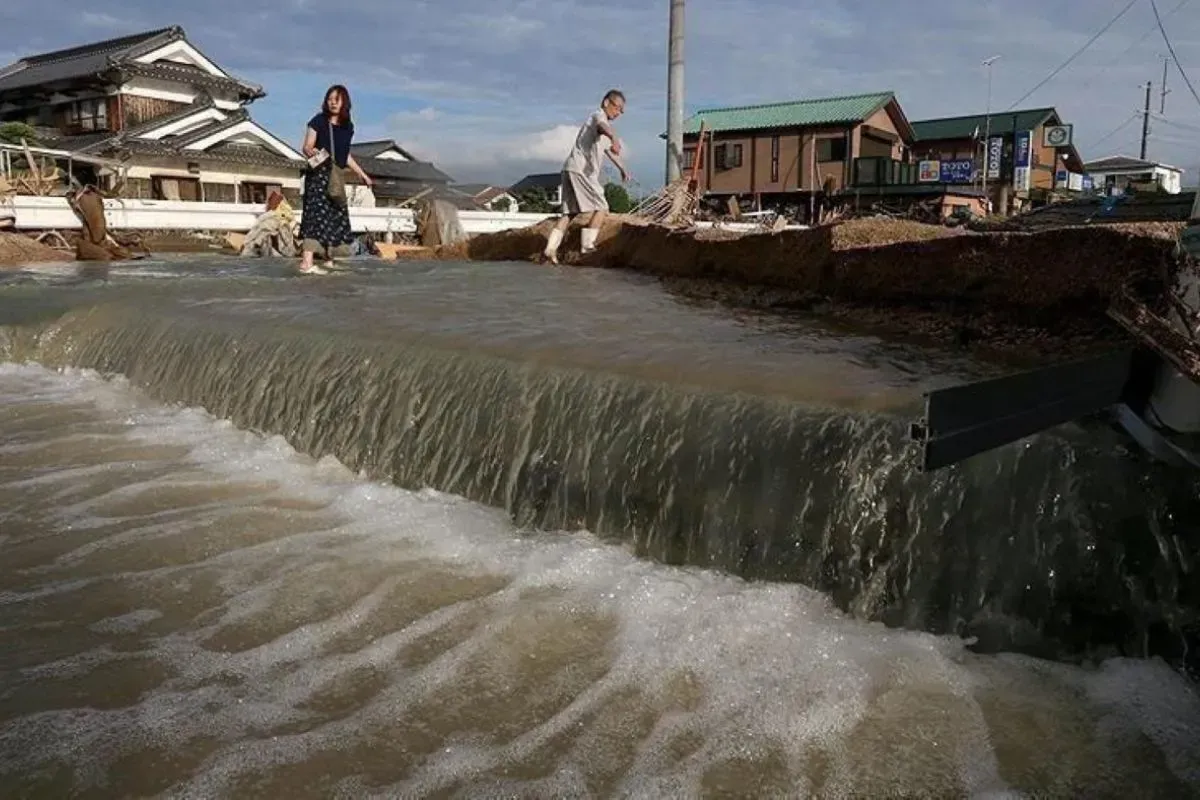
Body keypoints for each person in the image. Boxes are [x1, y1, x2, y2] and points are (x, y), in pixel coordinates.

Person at [543, 89, 630, 264]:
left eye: (621, 111)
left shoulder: (602, 126)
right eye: (617, 108)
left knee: (569, 213)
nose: (618, 113)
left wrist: (622, 169)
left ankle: (550, 249)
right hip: (581, 170)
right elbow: (603, 127)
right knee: (602, 207)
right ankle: (588, 247)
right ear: (606, 103)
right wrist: (613, 136)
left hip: (570, 169)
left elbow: (609, 152)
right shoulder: (598, 116)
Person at [298, 84, 373, 275]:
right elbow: (307, 147)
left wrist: (361, 174)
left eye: (336, 99)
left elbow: (345, 154)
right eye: (330, 99)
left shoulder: (348, 127)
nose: (333, 102)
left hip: (336, 177)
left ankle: (328, 260)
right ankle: (306, 262)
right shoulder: (318, 121)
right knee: (315, 216)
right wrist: (315, 152)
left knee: (335, 217)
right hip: (318, 176)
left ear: (344, 102)